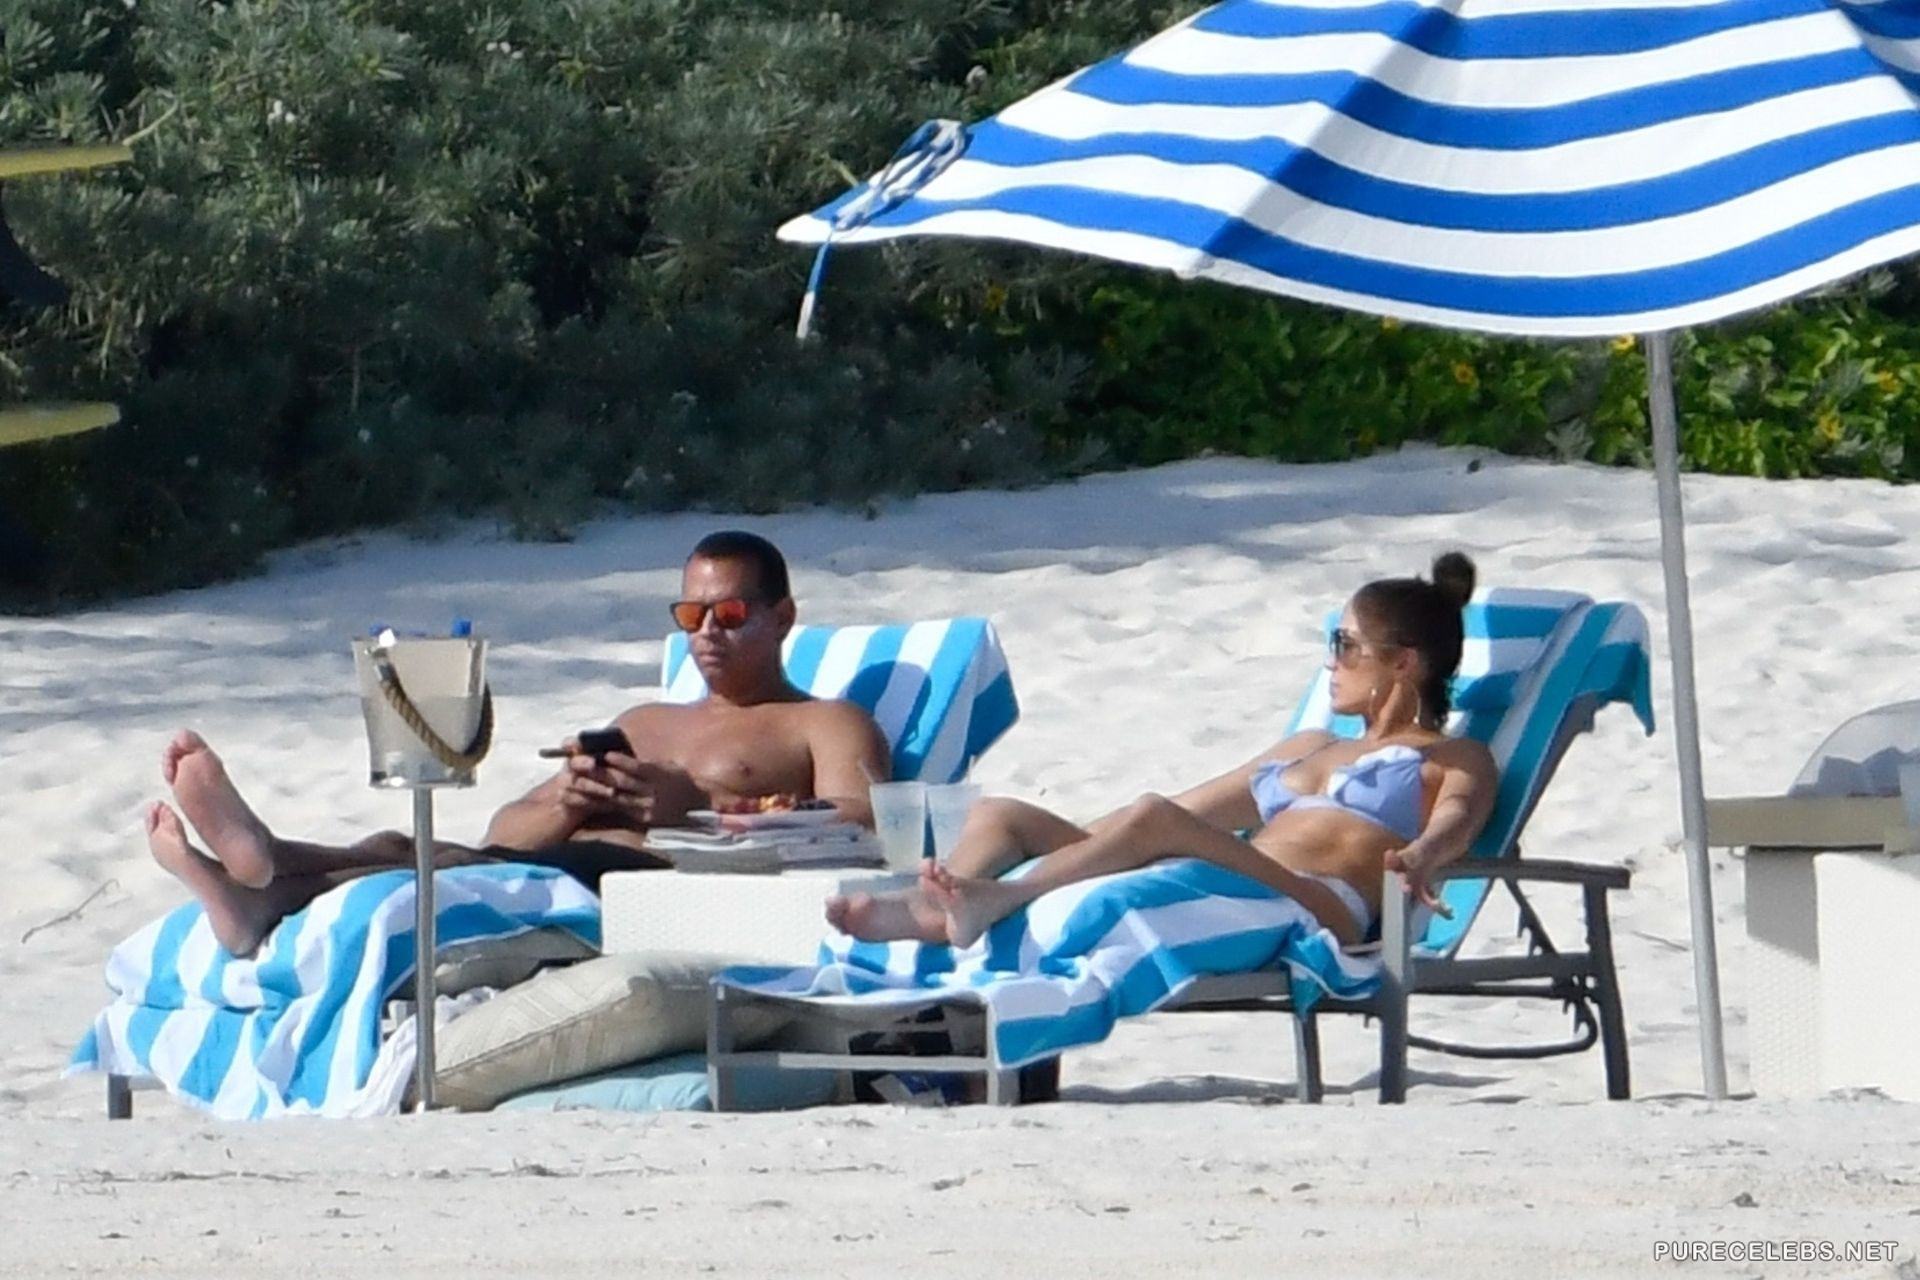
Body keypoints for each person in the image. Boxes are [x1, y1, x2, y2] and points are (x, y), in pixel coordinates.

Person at [148, 530, 891, 957]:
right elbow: (506, 831)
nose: (705, 634)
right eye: (690, 615)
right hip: (552, 863)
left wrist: (695, 805)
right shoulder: (646, 719)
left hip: (649, 884)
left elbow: (865, 824)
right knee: (406, 846)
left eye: (727, 614)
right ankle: (264, 863)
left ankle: (265, 885)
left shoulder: (824, 721)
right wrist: (569, 799)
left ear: (782, 617)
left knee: (450, 869)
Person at [828, 552, 1498, 951]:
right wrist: (1064, 842)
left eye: (1346, 646)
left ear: (1403, 662)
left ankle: (992, 898)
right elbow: (1190, 810)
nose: (1331, 661)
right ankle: (932, 906)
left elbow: (1458, 818)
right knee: (1002, 814)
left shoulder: (1451, 756)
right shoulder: (1311, 745)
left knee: (1153, 816)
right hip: (1239, 874)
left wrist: (1420, 856)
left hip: (1321, 905)